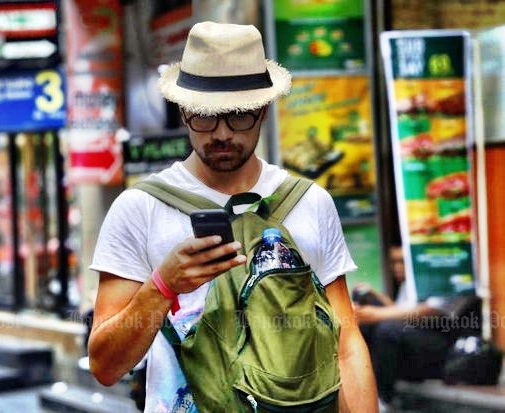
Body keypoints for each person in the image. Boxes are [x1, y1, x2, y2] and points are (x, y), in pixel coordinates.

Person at [88, 21, 377, 412]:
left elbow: (345, 342)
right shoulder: (139, 208)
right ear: (184, 110)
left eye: (238, 115)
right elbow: (105, 366)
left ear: (263, 111)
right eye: (205, 116)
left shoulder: (310, 202)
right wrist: (162, 287)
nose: (221, 134)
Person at [353, 244, 480, 410]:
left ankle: (383, 399)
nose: (397, 267)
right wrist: (373, 303)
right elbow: (401, 310)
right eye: (394, 262)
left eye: (402, 261)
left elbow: (431, 311)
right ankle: (364, 389)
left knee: (386, 329)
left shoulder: (452, 275)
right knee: (369, 322)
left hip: (446, 347)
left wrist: (374, 314)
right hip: (417, 339)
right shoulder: (411, 283)